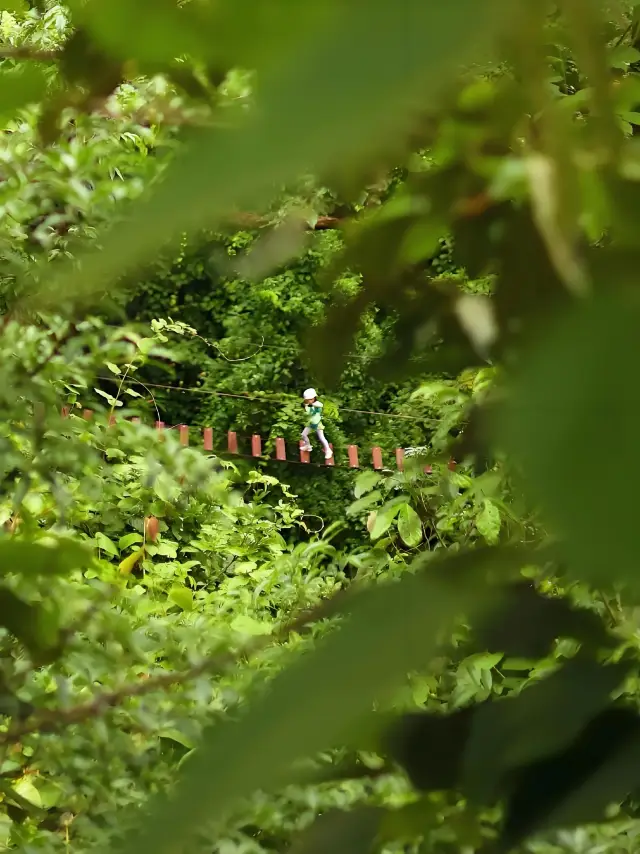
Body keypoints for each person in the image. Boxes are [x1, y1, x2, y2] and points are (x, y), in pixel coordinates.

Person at [300, 388, 333, 460]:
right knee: (303, 435)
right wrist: (307, 407)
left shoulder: (317, 405)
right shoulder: (308, 405)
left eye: (311, 399)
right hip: (311, 423)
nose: (309, 401)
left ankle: (328, 450)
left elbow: (320, 406)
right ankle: (307, 445)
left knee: (321, 437)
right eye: (308, 400)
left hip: (317, 423)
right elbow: (308, 413)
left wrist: (313, 405)